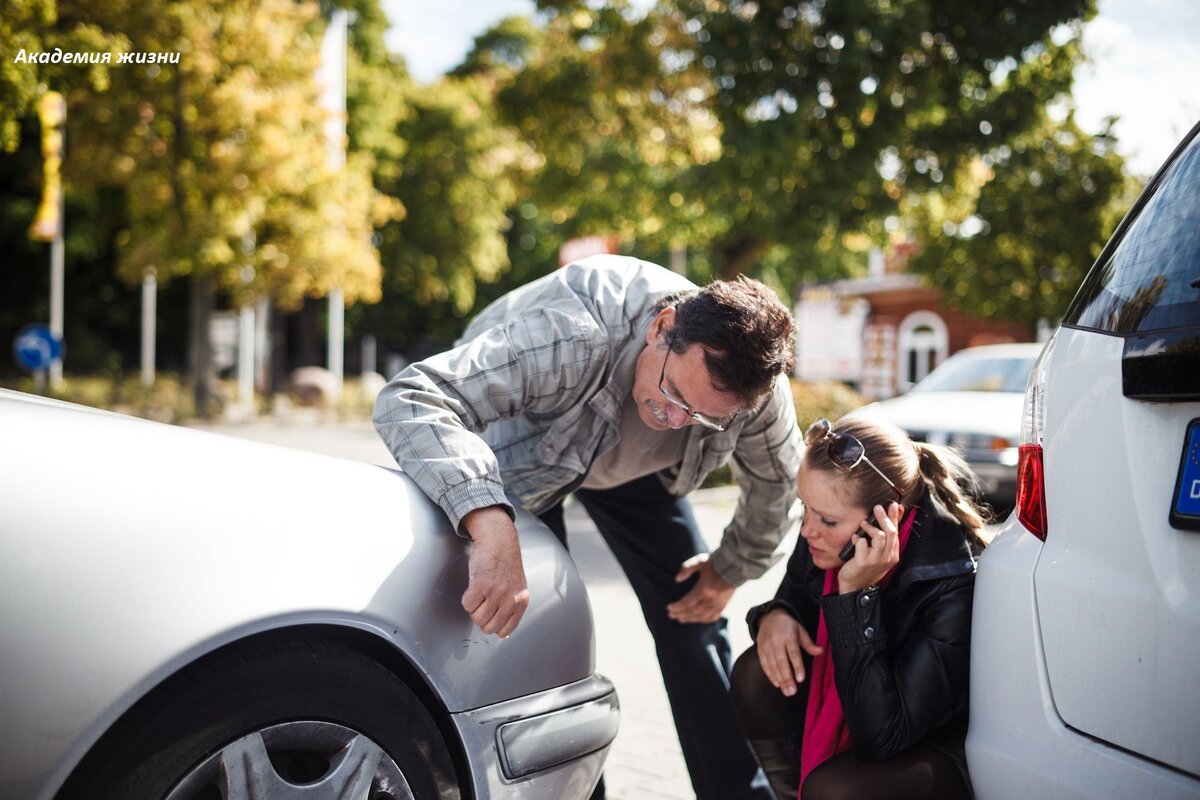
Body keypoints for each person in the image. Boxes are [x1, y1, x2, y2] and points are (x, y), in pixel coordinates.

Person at [374, 254, 803, 799]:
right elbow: (412, 396)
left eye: (701, 417)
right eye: (673, 394)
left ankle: (740, 793)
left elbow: (778, 486)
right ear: (661, 328)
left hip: (641, 472)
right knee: (538, 635)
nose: (675, 419)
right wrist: (488, 519)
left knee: (695, 617)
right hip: (529, 454)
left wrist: (730, 569)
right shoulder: (573, 333)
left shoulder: (755, 392)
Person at [731, 415, 988, 800]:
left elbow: (883, 736)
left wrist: (855, 595)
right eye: (805, 508)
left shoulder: (950, 582)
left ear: (886, 518)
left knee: (833, 791)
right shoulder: (830, 536)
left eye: (827, 520)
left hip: (940, 744)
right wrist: (776, 614)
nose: (807, 531)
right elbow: (796, 595)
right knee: (755, 674)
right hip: (866, 709)